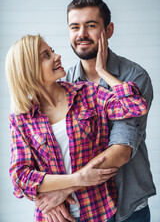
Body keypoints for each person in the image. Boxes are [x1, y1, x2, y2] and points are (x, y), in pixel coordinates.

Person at [36, 0, 156, 222]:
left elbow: (121, 150)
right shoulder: (64, 82)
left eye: (90, 25)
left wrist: (64, 188)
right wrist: (47, 196)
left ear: (108, 30)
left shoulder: (135, 77)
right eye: (74, 27)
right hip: (83, 208)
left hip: (127, 207)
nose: (81, 34)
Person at [6, 33, 148, 222]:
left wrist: (103, 72)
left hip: (99, 212)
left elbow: (136, 105)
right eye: (46, 56)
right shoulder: (21, 119)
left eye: (52, 51)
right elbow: (20, 178)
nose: (58, 57)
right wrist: (77, 179)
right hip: (55, 217)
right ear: (28, 70)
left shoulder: (88, 93)